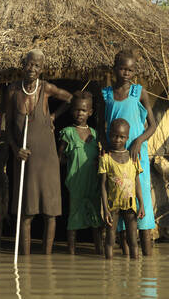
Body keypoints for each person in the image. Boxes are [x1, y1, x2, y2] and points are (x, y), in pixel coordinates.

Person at [6, 49, 72, 255]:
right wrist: (16, 150)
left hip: (47, 158)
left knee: (50, 212)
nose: (32, 69)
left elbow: (70, 98)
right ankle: (25, 258)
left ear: (41, 69)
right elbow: (7, 127)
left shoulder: (46, 88)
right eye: (29, 64)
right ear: (23, 65)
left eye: (36, 66)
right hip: (24, 159)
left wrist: (53, 116)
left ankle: (47, 258)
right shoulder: (13, 91)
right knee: (26, 212)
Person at [97, 49, 158, 256]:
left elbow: (152, 125)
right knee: (119, 203)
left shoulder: (139, 92)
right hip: (114, 157)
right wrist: (106, 149)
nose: (126, 73)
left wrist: (138, 141)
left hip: (136, 155)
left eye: (130, 70)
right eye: (122, 69)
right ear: (115, 69)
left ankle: (147, 261)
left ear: (134, 72)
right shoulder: (106, 95)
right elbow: (99, 126)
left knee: (142, 205)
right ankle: (127, 270)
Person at [57, 91, 103, 255]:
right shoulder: (68, 132)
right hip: (76, 182)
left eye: (83, 110)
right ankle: (71, 253)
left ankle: (99, 251)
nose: (80, 114)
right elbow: (59, 158)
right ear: (71, 111)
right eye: (77, 110)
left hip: (94, 183)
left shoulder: (96, 134)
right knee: (74, 218)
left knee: (96, 219)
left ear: (90, 112)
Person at [99, 118, 145, 260]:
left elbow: (137, 182)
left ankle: (135, 272)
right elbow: (103, 185)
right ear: (109, 134)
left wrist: (141, 204)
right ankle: (109, 271)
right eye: (114, 135)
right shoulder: (105, 158)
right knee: (110, 240)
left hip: (130, 205)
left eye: (122, 137)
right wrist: (105, 208)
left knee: (133, 240)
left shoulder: (132, 157)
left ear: (127, 137)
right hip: (113, 206)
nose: (117, 139)